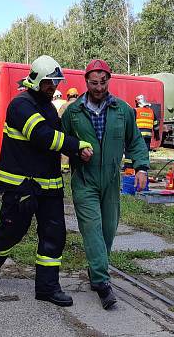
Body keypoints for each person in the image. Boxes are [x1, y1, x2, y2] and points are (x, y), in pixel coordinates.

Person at [0, 55, 93, 307]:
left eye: (55, 82)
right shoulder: (20, 105)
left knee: (54, 236)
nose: (53, 87)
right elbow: (41, 136)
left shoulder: (48, 106)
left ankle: (47, 288)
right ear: (35, 81)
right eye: (48, 82)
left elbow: (55, 136)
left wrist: (77, 150)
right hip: (21, 187)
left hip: (50, 186)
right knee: (12, 232)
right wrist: (76, 146)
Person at [60, 59, 149, 309]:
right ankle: (101, 282)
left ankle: (95, 268)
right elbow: (62, 139)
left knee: (108, 229)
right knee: (92, 229)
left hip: (111, 179)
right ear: (85, 82)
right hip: (84, 180)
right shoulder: (73, 112)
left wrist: (141, 167)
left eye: (103, 82)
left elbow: (135, 142)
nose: (98, 87)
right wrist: (76, 151)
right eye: (93, 82)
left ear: (109, 80)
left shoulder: (122, 110)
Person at [57, 87, 79, 172]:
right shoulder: (81, 104)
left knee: (65, 146)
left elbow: (59, 117)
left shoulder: (65, 105)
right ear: (77, 95)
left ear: (68, 96)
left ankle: (65, 167)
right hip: (78, 131)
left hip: (66, 130)